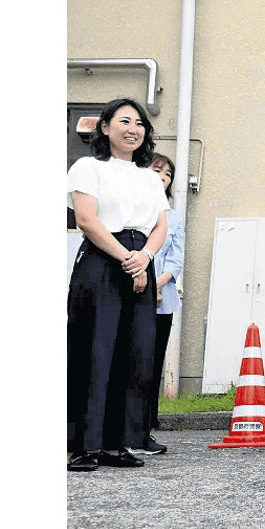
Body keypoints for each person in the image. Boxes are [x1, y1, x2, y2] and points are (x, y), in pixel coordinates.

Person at [67, 98, 169, 471]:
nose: (133, 129)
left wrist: (143, 257)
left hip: (140, 260)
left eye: (139, 123)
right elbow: (87, 220)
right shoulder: (88, 167)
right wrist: (126, 257)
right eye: (124, 121)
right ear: (106, 127)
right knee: (93, 349)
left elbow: (160, 226)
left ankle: (115, 443)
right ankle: (80, 444)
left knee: (134, 353)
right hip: (101, 260)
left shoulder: (148, 176)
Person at [131, 153, 185, 457]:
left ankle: (145, 427)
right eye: (157, 170)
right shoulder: (133, 212)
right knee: (131, 361)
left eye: (168, 174)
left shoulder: (173, 217)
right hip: (133, 292)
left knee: (152, 362)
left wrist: (159, 284)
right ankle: (124, 426)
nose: (163, 177)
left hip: (162, 300)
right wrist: (145, 284)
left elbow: (176, 257)